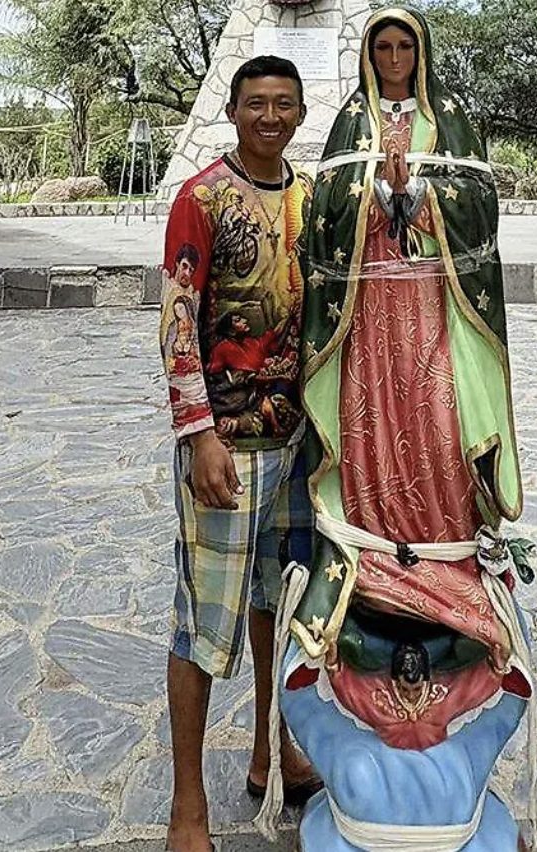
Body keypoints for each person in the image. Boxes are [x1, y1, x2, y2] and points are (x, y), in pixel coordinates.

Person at [253, 6, 537, 849]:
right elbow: (327, 211)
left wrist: (420, 192)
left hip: (432, 306)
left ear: (422, 52)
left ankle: (443, 549)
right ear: (371, 56)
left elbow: (480, 202)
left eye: (402, 47)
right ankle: (373, 544)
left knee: (438, 428)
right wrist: (371, 188)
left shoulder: (453, 117)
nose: (391, 59)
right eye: (380, 48)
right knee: (371, 423)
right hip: (369, 311)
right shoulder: (349, 120)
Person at [158, 55, 323, 852]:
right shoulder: (202, 199)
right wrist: (198, 434)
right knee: (202, 624)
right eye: (255, 102)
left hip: (296, 442)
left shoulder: (311, 197)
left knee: (279, 608)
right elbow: (178, 320)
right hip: (227, 446)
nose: (269, 115)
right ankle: (188, 805)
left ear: (299, 113)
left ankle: (273, 749)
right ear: (232, 110)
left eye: (282, 104)